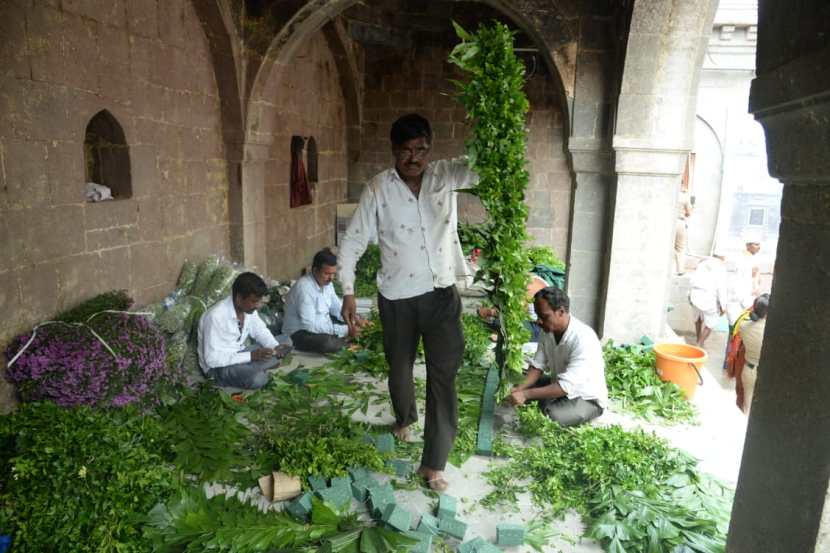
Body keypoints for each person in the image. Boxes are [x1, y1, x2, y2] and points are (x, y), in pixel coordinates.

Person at [338, 113, 476, 491]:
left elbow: (485, 168)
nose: (413, 158)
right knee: (399, 368)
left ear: (429, 148)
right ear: (393, 151)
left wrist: (501, 127)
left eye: (420, 150)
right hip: (397, 299)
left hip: (442, 296)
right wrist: (348, 289)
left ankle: (434, 462)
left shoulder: (446, 175)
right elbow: (352, 241)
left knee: (443, 377)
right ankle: (404, 417)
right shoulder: (379, 189)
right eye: (405, 151)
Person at [508, 287, 608, 427]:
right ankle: (545, 399)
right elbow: (538, 366)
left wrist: (526, 394)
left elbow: (565, 387)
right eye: (538, 316)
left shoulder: (584, 338)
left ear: (561, 312)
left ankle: (550, 403)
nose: (539, 321)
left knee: (551, 417)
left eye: (544, 316)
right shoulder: (548, 330)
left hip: (586, 397)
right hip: (560, 384)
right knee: (518, 386)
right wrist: (520, 388)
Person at [197, 272, 291, 389]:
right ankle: (256, 369)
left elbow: (260, 331)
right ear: (238, 298)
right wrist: (251, 356)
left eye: (259, 301)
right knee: (258, 379)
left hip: (241, 355)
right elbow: (212, 360)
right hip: (218, 369)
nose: (257, 306)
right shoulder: (215, 317)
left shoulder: (249, 310)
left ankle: (254, 368)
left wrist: (275, 347)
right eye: (254, 301)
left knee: (286, 341)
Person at [282, 248, 365, 354]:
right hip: (300, 333)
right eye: (327, 273)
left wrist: (353, 321)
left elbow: (337, 308)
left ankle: (344, 338)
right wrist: (346, 330)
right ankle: (345, 344)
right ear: (315, 270)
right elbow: (310, 326)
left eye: (333, 274)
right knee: (327, 343)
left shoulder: (327, 284)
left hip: (324, 325)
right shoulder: (304, 289)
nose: (331, 278)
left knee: (357, 318)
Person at [734, 294, 769, 415]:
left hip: (748, 371)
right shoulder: (770, 329)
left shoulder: (743, 326)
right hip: (767, 373)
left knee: (747, 407)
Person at [688, 248, 729, 347]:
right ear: (723, 257)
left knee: (697, 318)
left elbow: (692, 280)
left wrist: (689, 294)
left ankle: (698, 338)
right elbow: (721, 289)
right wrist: (723, 307)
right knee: (711, 324)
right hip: (708, 299)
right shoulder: (721, 268)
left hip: (695, 295)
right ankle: (699, 343)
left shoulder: (702, 263)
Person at [674, 185, 693, 275]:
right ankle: (680, 270)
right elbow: (689, 213)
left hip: (667, 221)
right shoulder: (684, 196)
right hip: (679, 221)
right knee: (680, 248)